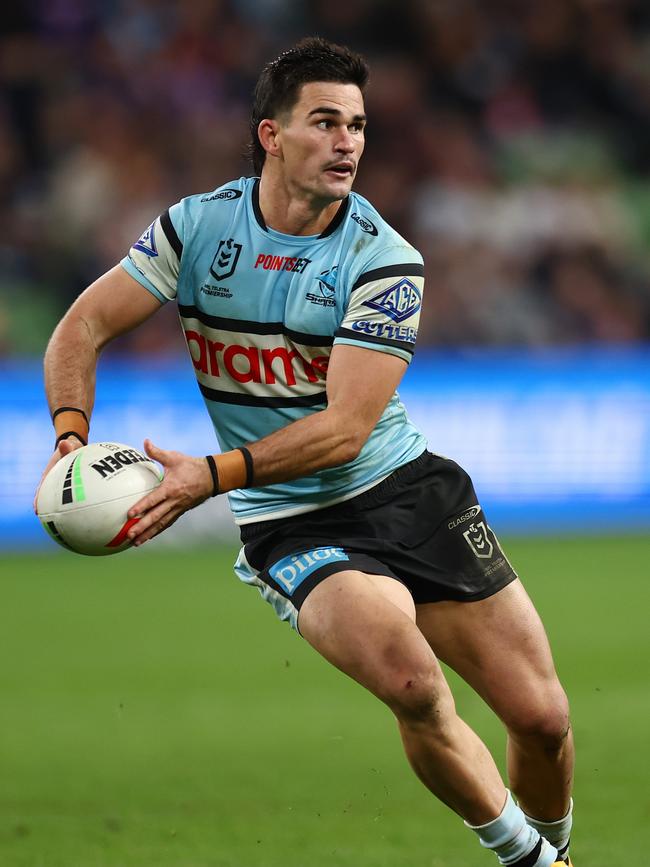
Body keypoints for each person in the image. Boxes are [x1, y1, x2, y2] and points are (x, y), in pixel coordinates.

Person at [39, 37, 575, 867]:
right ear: (272, 136)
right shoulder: (195, 229)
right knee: (412, 684)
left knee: (541, 721)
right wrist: (70, 442)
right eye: (325, 122)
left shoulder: (385, 259)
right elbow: (82, 325)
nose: (348, 142)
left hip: (405, 491)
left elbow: (345, 429)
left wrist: (207, 478)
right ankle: (537, 863)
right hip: (292, 517)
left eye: (358, 125)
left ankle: (556, 841)